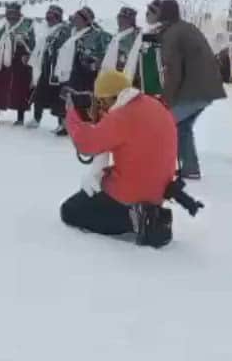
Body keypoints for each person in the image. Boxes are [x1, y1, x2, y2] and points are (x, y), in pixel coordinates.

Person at [59, 70, 194, 247]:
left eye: (102, 101)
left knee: (70, 210)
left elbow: (87, 145)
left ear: (112, 97)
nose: (101, 106)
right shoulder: (156, 105)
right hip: (158, 192)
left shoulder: (121, 117)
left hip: (130, 196)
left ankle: (134, 219)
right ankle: (141, 214)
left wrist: (72, 114)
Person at [157, 0, 226, 180]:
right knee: (182, 126)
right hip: (207, 87)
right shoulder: (186, 27)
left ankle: (163, 166)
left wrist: (166, 100)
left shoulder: (172, 34)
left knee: (168, 123)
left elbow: (173, 71)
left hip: (195, 90)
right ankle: (190, 168)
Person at [51, 7, 110, 136]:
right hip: (69, 71)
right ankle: (65, 125)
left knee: (80, 100)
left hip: (83, 73)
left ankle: (81, 126)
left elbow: (97, 53)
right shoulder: (72, 33)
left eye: (78, 18)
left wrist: (92, 64)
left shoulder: (94, 34)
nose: (75, 20)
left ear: (85, 21)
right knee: (66, 99)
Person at [0, 2, 35, 125]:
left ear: (18, 13)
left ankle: (20, 118)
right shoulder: (5, 27)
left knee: (20, 90)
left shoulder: (27, 25)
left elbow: (32, 44)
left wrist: (24, 45)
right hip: (5, 62)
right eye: (8, 13)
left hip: (20, 61)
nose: (10, 16)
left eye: (12, 13)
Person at [27, 5, 69, 128]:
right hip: (45, 66)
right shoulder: (45, 30)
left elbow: (63, 47)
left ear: (58, 18)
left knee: (58, 97)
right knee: (39, 94)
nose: (49, 20)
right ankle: (36, 119)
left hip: (56, 68)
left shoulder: (63, 30)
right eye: (48, 17)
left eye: (52, 17)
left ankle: (61, 123)